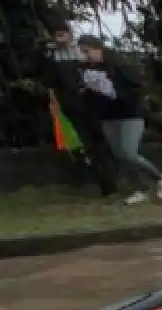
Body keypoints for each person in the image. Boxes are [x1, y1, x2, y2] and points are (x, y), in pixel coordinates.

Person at [77, 35, 162, 204]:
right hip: (108, 116)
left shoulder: (119, 65)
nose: (86, 56)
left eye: (87, 51)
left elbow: (136, 88)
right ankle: (139, 189)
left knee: (129, 152)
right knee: (120, 155)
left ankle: (161, 178)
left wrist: (116, 93)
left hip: (130, 114)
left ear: (97, 48)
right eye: (83, 52)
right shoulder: (88, 70)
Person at [42, 21, 120, 197]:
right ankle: (105, 185)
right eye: (57, 35)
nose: (60, 39)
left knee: (101, 141)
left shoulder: (81, 52)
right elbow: (50, 82)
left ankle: (112, 178)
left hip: (90, 102)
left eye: (63, 34)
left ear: (70, 35)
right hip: (71, 104)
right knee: (87, 143)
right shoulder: (52, 57)